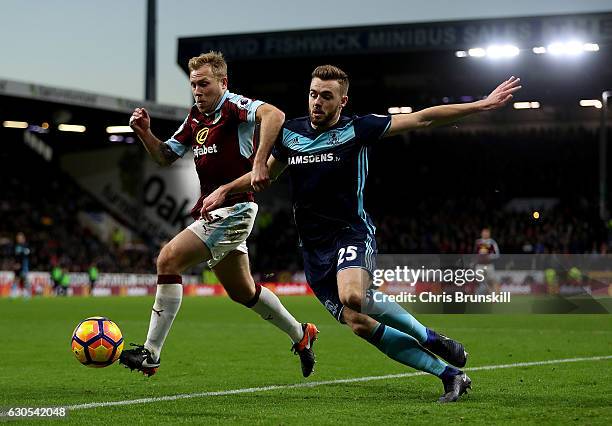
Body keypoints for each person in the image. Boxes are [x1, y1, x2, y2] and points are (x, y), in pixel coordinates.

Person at [201, 65, 521, 402]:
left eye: (326, 96)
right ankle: (450, 374)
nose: (317, 102)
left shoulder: (358, 128)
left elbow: (423, 118)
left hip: (350, 232)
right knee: (358, 322)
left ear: (342, 101)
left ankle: (428, 336)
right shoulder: (290, 135)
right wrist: (225, 190)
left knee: (353, 296)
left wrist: (479, 105)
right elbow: (264, 176)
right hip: (312, 248)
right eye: (313, 94)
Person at [120, 51, 318, 378]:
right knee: (243, 292)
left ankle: (150, 354)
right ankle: (301, 334)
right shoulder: (194, 120)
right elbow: (165, 155)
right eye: (193, 85)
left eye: (204, 84)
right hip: (217, 211)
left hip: (236, 208)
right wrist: (143, 132)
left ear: (222, 83)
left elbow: (275, 115)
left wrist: (259, 161)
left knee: (168, 259)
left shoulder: (232, 107)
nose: (197, 91)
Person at [474, 227, 500, 294]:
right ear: (481, 234)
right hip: (479, 265)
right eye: (484, 232)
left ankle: (493, 296)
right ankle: (478, 296)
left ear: (489, 234)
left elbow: (497, 254)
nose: (485, 234)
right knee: (478, 281)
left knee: (492, 281)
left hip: (489, 265)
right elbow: (475, 253)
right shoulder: (478, 242)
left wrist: (489, 256)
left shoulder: (492, 242)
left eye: (487, 233)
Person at [13, 232, 31, 298]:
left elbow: (27, 255)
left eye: (20, 238)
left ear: (23, 238)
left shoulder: (26, 246)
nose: (18, 239)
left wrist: (20, 264)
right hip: (17, 264)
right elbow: (15, 256)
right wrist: (15, 263)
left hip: (24, 264)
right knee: (16, 278)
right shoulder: (16, 246)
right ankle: (14, 292)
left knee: (25, 278)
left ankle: (27, 293)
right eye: (18, 238)